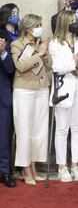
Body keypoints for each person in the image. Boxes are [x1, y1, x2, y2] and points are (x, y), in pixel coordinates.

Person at [49, 10, 78, 182]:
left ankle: (75, 164)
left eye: (76, 19)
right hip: (64, 90)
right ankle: (62, 166)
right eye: (72, 20)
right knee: (62, 129)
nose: (76, 22)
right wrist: (73, 62)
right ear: (64, 23)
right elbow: (57, 67)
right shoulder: (55, 43)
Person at [11, 14, 52, 185]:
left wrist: (46, 52)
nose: (40, 28)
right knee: (24, 129)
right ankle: (24, 168)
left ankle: (34, 166)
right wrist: (39, 53)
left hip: (42, 88)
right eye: (37, 25)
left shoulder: (40, 43)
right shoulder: (17, 44)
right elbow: (20, 66)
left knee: (39, 130)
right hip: (24, 90)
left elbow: (49, 65)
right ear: (27, 28)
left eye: (41, 25)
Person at [0, 28, 16, 187]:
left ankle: (5, 171)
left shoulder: (4, 39)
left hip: (3, 97)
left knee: (4, 137)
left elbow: (11, 69)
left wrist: (3, 52)